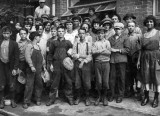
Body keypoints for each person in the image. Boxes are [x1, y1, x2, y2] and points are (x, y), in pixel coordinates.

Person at [47, 26, 74, 106]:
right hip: (56, 64)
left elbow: (73, 51)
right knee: (54, 82)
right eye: (59, 31)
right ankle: (51, 99)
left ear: (64, 32)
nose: (60, 33)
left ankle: (70, 98)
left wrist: (70, 61)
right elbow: (50, 54)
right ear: (57, 32)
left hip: (66, 65)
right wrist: (51, 64)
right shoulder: (53, 42)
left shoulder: (68, 42)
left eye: (62, 31)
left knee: (68, 81)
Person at [137, 15, 160, 108]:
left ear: (154, 22)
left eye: (151, 22)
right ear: (145, 23)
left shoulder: (158, 33)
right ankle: (146, 97)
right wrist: (138, 61)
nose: (149, 23)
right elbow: (141, 50)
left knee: (156, 77)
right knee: (145, 76)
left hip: (155, 57)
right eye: (148, 22)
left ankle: (156, 98)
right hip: (145, 58)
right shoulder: (143, 35)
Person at [23, 31, 46, 109]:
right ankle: (26, 101)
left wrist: (44, 67)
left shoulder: (38, 47)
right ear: (36, 37)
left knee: (39, 84)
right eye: (39, 37)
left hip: (39, 69)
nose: (40, 38)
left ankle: (37, 99)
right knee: (29, 85)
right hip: (31, 69)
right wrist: (31, 66)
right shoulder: (29, 46)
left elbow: (42, 58)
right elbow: (27, 57)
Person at [108, 22, 129, 103]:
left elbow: (127, 49)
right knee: (112, 78)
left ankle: (120, 95)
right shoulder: (110, 38)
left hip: (121, 60)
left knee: (121, 78)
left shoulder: (125, 38)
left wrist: (117, 50)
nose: (117, 30)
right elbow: (108, 48)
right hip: (112, 60)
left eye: (119, 29)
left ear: (122, 29)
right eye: (115, 28)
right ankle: (112, 94)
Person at [72, 27, 92, 106]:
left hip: (86, 64)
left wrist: (82, 59)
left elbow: (90, 55)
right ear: (78, 34)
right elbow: (73, 54)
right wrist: (79, 57)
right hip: (77, 63)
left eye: (83, 33)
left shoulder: (88, 43)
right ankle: (78, 97)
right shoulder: (76, 43)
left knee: (86, 82)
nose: (82, 35)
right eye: (80, 33)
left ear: (86, 34)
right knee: (77, 81)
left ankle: (87, 98)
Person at [0, 26, 19, 109]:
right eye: (4, 33)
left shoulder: (14, 43)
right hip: (1, 66)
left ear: (10, 33)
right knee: (2, 85)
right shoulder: (0, 42)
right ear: (2, 33)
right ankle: (1, 101)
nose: (6, 35)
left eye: (7, 33)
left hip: (10, 66)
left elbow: (16, 57)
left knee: (11, 84)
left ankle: (13, 100)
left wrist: (15, 68)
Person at [92, 28, 111, 106]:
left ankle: (104, 97)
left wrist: (99, 51)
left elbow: (109, 52)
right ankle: (99, 96)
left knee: (105, 82)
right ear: (97, 34)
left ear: (104, 34)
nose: (100, 35)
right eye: (99, 33)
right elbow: (93, 52)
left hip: (106, 63)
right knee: (99, 81)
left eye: (102, 33)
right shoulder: (95, 43)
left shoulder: (107, 42)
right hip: (97, 63)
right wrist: (102, 50)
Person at [124, 21, 141, 98]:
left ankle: (138, 91)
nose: (130, 27)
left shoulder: (138, 36)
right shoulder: (125, 36)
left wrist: (139, 60)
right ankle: (130, 90)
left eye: (132, 26)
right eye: (129, 26)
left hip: (136, 57)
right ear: (127, 27)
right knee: (129, 74)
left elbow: (141, 48)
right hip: (128, 57)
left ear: (135, 27)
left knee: (137, 75)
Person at [16, 28, 30, 103]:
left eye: (24, 33)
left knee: (28, 81)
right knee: (20, 80)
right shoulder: (17, 43)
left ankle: (27, 98)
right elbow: (16, 56)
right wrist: (17, 67)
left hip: (29, 64)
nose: (23, 35)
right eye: (21, 34)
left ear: (27, 34)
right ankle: (19, 97)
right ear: (19, 34)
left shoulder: (30, 42)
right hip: (21, 63)